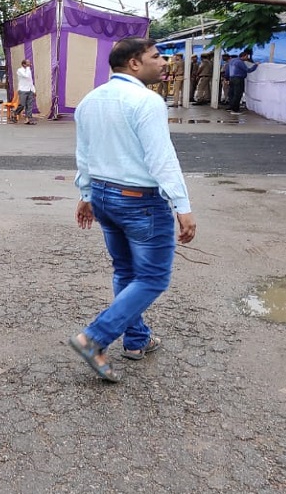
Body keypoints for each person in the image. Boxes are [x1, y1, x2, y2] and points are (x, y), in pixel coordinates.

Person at [69, 36, 197, 383]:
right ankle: (94, 338)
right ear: (134, 64)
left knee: (127, 272)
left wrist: (87, 194)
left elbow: (85, 154)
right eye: (156, 56)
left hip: (105, 198)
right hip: (138, 201)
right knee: (153, 278)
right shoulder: (147, 101)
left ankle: (137, 340)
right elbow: (161, 158)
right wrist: (182, 205)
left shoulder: (89, 101)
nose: (163, 62)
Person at [226, 50, 259, 115]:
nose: (247, 58)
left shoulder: (232, 61)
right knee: (237, 94)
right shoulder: (240, 62)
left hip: (231, 78)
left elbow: (227, 71)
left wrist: (227, 78)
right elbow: (248, 70)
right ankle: (235, 110)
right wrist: (255, 65)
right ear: (243, 56)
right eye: (246, 56)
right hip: (238, 79)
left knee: (231, 94)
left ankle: (231, 107)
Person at [11, 59, 37, 125]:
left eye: (29, 62)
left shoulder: (29, 70)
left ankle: (28, 119)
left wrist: (34, 90)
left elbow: (30, 80)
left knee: (29, 105)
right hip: (23, 90)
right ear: (24, 64)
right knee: (22, 104)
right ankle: (14, 113)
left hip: (30, 90)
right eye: (28, 63)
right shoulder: (20, 70)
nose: (30, 63)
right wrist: (28, 68)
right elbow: (26, 76)